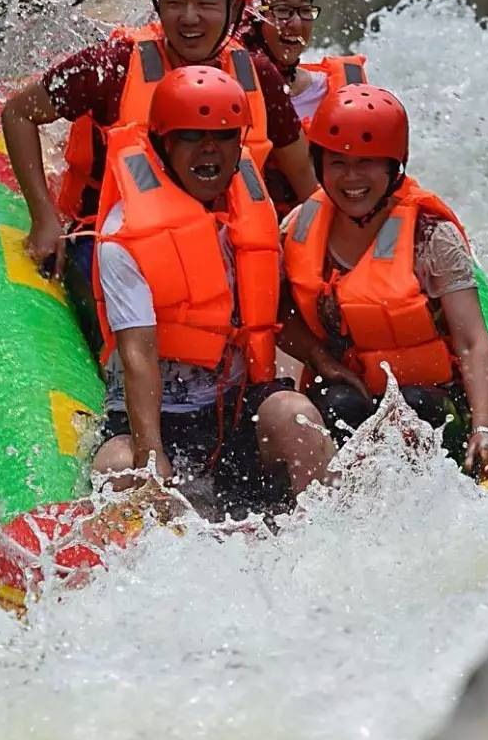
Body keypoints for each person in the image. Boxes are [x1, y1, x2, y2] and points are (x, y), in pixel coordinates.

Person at [0, 0, 318, 346]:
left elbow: (308, 187)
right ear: (157, 4)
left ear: (235, 7)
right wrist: (44, 219)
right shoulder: (111, 66)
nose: (190, 17)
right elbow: (18, 112)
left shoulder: (260, 76)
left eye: (206, 2)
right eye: (175, 1)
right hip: (111, 242)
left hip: (219, 245)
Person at [92, 66, 336, 517]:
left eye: (223, 137)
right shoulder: (124, 235)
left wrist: (324, 361)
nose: (210, 150)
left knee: (295, 415)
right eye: (192, 136)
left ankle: (327, 541)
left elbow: (271, 312)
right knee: (117, 466)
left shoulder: (252, 213)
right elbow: (138, 355)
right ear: (165, 143)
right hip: (156, 416)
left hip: (234, 406)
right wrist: (151, 455)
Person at [278, 83, 488, 480]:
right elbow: (278, 315)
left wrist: (484, 429)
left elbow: (472, 340)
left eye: (367, 163)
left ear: (393, 166)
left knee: (414, 407)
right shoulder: (298, 226)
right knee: (338, 406)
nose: (352, 178)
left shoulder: (431, 236)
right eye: (338, 163)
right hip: (347, 390)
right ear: (319, 165)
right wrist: (319, 359)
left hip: (431, 396)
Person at [241, 0, 370, 215]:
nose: (296, 24)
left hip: (327, 227)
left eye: (304, 11)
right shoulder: (229, 87)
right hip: (257, 231)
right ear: (251, 18)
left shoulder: (337, 88)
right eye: (282, 11)